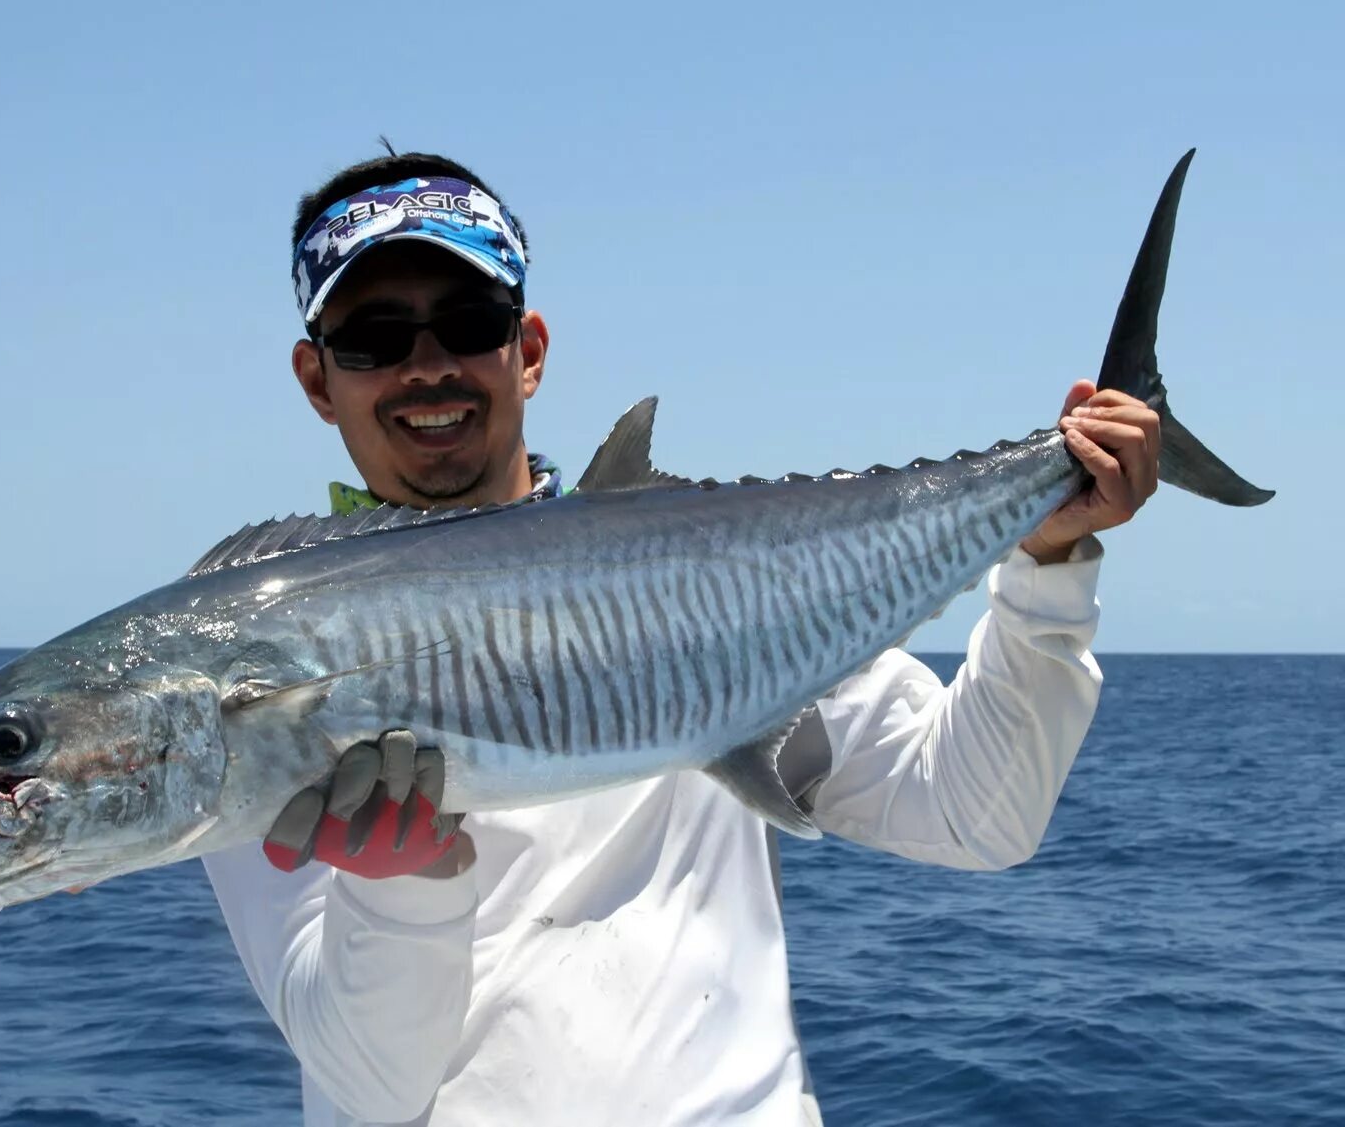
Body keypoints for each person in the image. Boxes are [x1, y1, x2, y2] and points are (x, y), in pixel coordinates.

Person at [200, 151, 1161, 1126]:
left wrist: (1048, 562)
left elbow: (974, 810)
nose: (429, 365)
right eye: (373, 338)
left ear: (527, 348)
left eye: (468, 323)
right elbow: (370, 1085)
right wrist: (397, 886)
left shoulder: (718, 587)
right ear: (317, 379)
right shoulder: (251, 646)